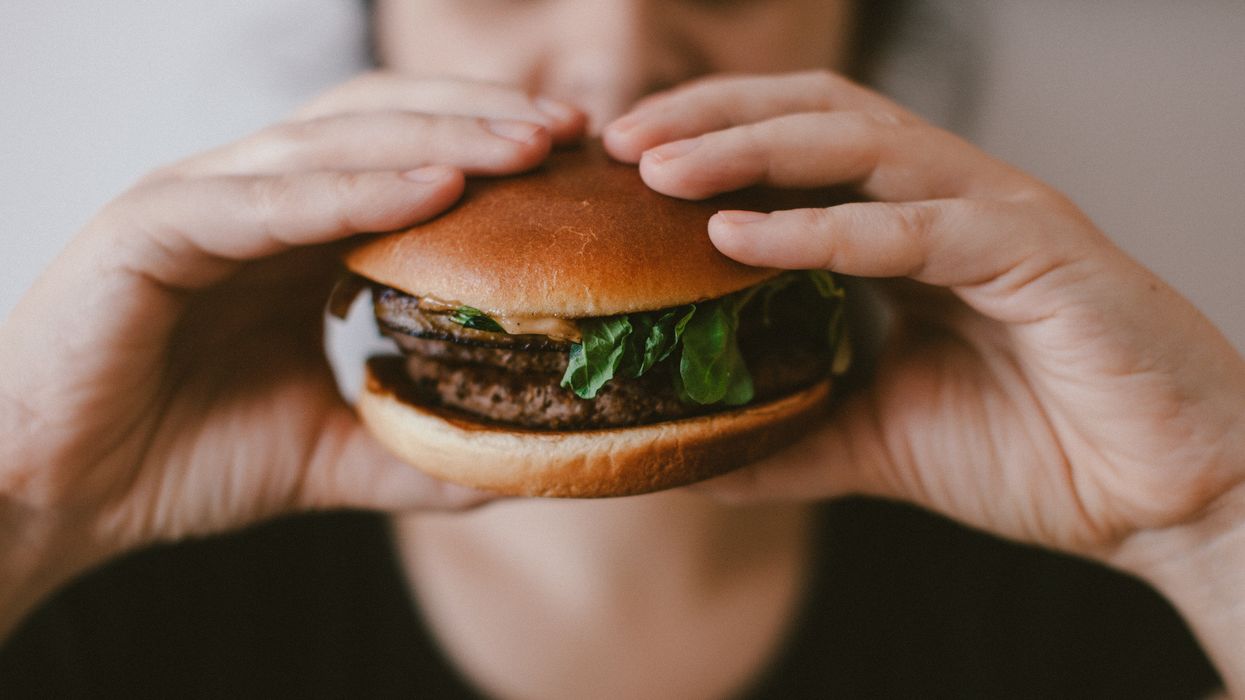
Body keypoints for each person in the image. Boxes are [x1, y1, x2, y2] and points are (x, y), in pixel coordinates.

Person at [1, 0, 1242, 696]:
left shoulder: (1090, 596)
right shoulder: (110, 596)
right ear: (378, 33)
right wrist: (27, 505)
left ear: (859, 35)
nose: (614, 57)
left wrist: (1215, 523)